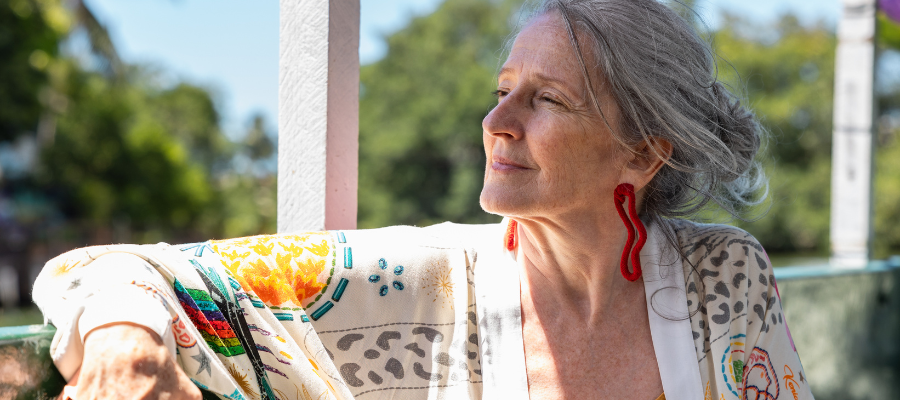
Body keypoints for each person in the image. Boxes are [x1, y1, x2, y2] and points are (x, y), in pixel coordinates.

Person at [33, 0, 813, 399]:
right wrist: (129, 347)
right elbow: (109, 267)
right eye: (502, 91)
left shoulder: (723, 277)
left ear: (643, 154)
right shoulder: (424, 278)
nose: (496, 124)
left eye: (546, 101)